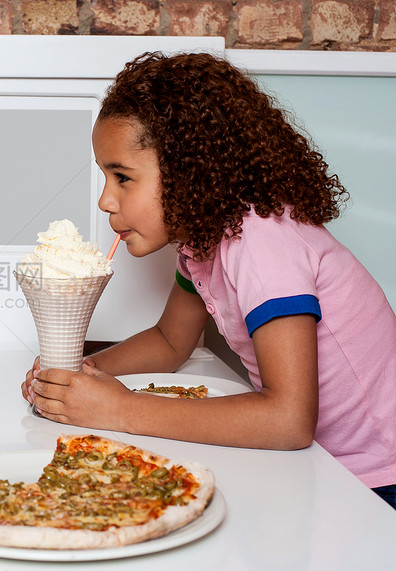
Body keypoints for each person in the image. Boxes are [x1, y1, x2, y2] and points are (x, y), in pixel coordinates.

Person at [22, 52, 396, 509]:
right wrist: (81, 379)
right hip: (321, 467)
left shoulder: (262, 243)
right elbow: (169, 341)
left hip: (374, 482)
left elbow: (288, 421)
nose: (105, 200)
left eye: (122, 177)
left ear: (188, 170)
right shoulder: (202, 245)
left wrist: (117, 409)